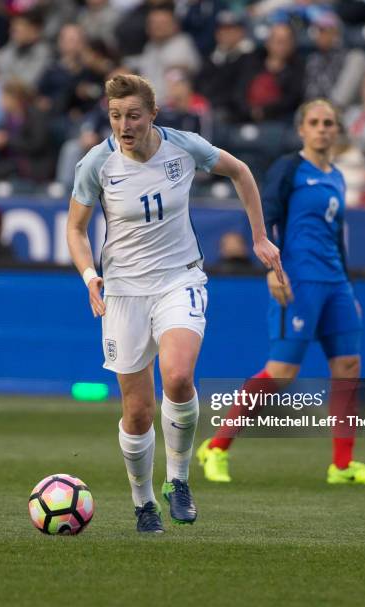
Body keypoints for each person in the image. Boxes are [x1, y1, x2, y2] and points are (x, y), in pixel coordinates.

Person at [66, 74, 283, 533]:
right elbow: (75, 228)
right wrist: (89, 276)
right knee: (138, 410)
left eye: (133, 115)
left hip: (178, 279)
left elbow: (241, 171)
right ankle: (143, 502)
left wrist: (259, 236)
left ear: (153, 115)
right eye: (116, 116)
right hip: (124, 293)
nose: (124, 125)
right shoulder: (96, 163)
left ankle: (178, 480)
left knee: (179, 376)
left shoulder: (183, 147)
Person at [197, 99, 365, 486]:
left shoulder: (336, 176)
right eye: (315, 122)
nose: (322, 128)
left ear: (337, 130)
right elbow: (264, 215)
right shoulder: (289, 169)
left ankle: (343, 465)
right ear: (302, 129)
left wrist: (348, 287)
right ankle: (215, 448)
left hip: (335, 284)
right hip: (297, 282)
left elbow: (336, 239)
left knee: (348, 368)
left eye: (329, 123)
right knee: (282, 373)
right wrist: (271, 269)